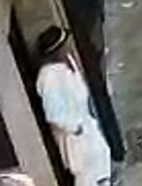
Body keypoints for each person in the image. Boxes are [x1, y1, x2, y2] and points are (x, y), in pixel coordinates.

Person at [34, 27, 113, 186]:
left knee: (102, 167)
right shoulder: (49, 76)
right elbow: (54, 113)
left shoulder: (68, 65)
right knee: (88, 177)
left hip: (88, 128)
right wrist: (76, 127)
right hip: (77, 137)